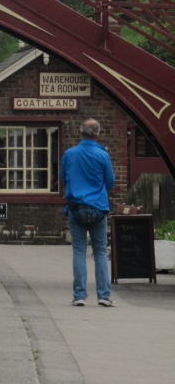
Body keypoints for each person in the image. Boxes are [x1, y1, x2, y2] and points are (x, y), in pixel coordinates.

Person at [60, 118, 116, 307]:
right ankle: (104, 295)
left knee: (79, 251)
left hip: (76, 208)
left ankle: (79, 296)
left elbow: (62, 178)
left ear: (80, 132)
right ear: (98, 134)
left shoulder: (69, 154)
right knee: (100, 252)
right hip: (98, 207)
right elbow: (109, 182)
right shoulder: (103, 156)